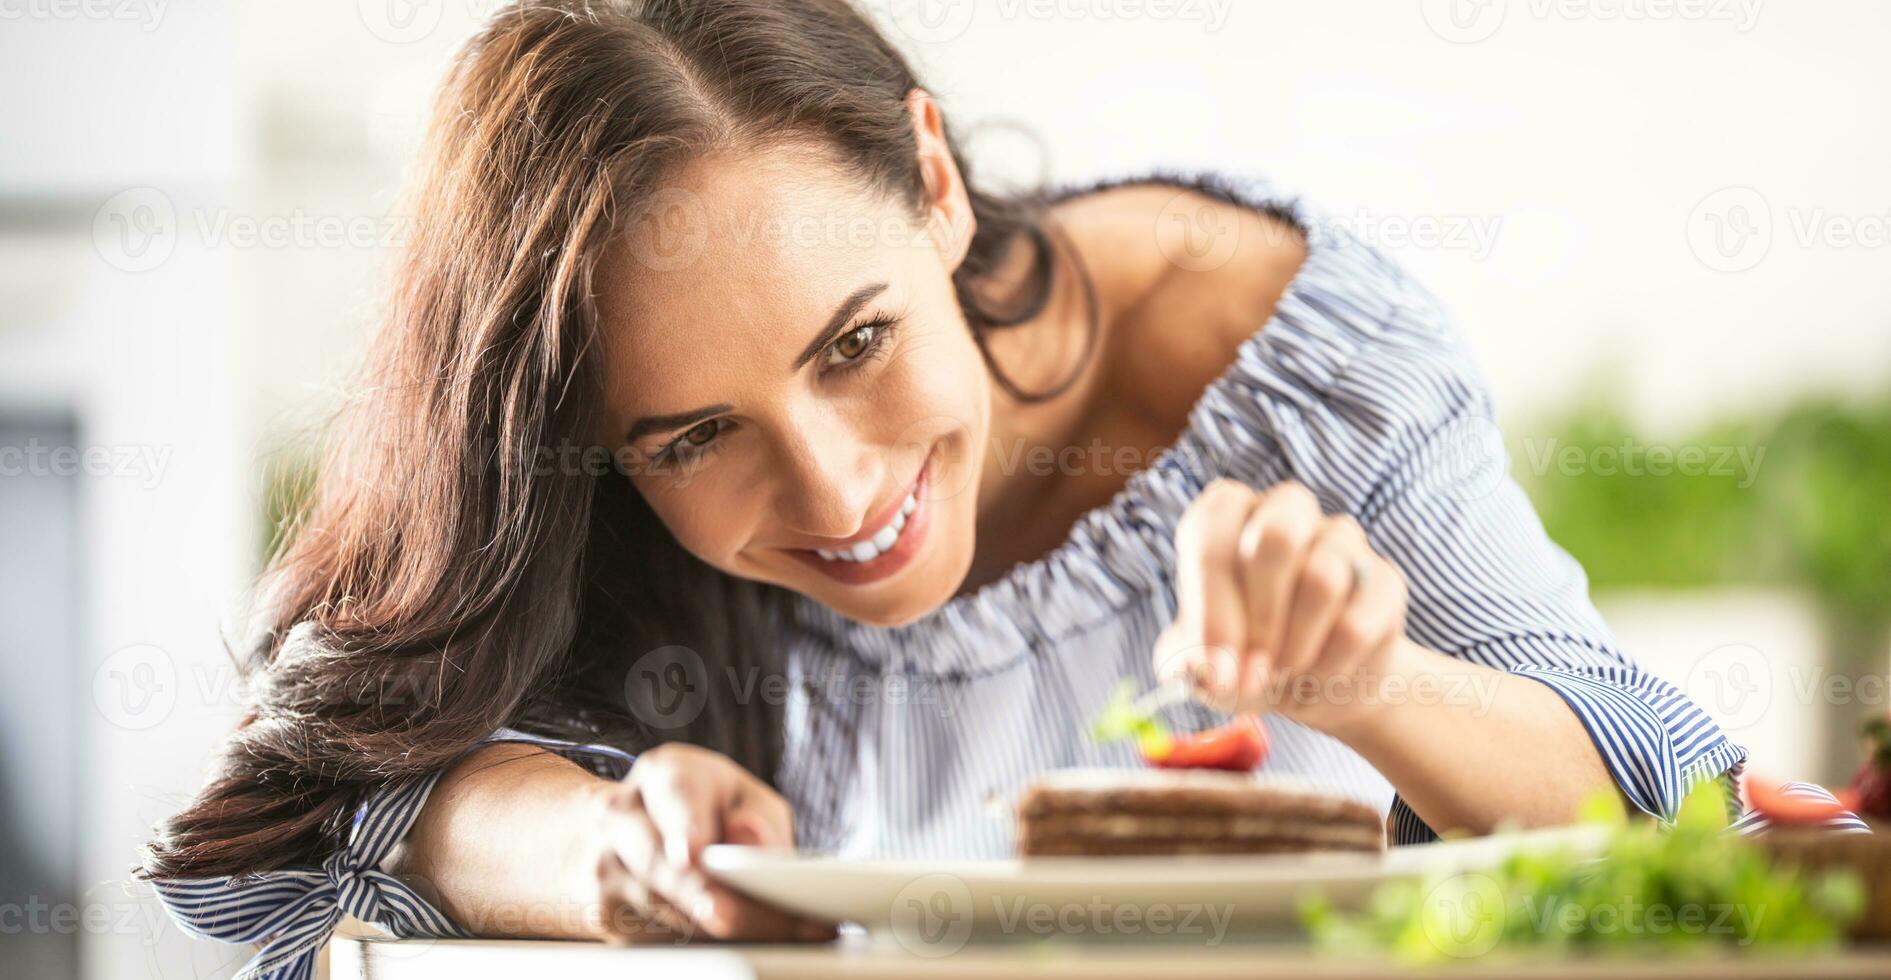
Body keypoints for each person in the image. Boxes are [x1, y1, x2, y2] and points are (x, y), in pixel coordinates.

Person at [141, 2, 1846, 976]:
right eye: (690, 437)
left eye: (856, 338)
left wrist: (1369, 687)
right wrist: (596, 843)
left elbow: (1684, 820)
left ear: (935, 180)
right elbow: (281, 840)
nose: (840, 488)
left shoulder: (1292, 355)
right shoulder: (587, 479)